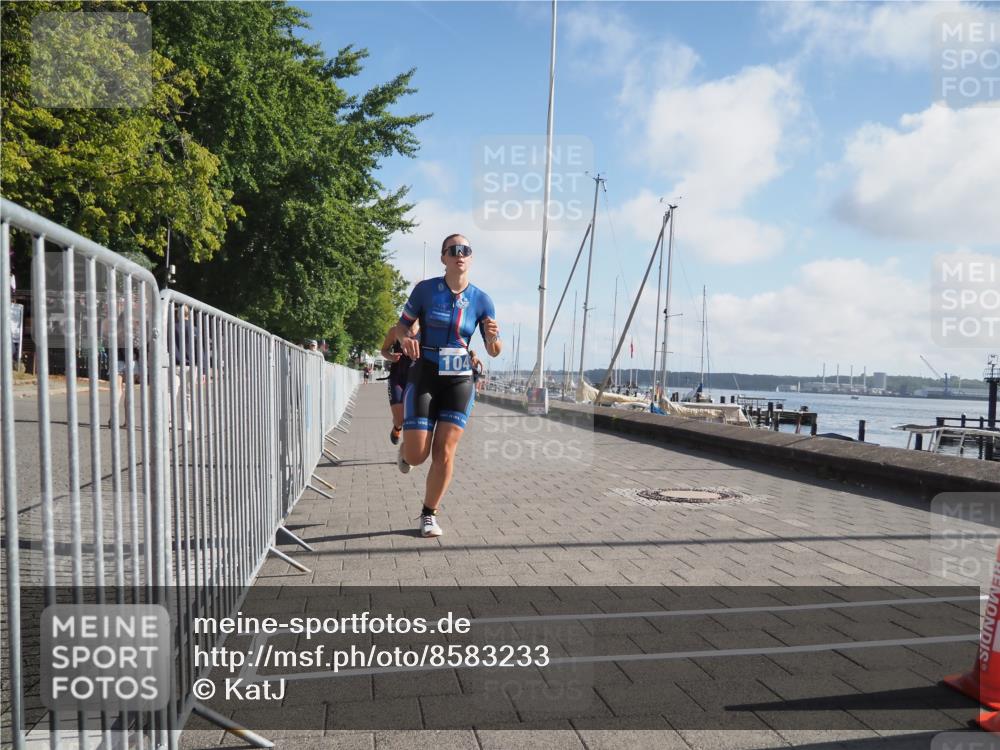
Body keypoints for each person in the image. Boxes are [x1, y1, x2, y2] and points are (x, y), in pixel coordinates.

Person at [388, 233, 501, 538]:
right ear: (444, 258)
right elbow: (401, 326)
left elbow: (493, 350)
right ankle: (407, 453)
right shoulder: (426, 291)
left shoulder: (481, 299)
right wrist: (405, 339)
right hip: (425, 373)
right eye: (453, 250)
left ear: (471, 258)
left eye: (465, 250)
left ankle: (428, 513)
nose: (459, 254)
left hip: (459, 381)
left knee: (445, 453)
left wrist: (492, 338)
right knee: (417, 456)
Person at [380, 320, 419, 445]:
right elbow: (384, 350)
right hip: (397, 379)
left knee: (413, 418)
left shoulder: (425, 331)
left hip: (415, 380)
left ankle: (408, 451)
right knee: (400, 419)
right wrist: (391, 357)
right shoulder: (395, 330)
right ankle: (397, 427)